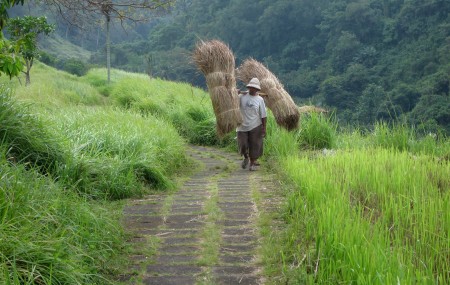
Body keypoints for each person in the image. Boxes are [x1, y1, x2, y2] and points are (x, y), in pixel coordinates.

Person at [236, 77, 267, 171]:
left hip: (255, 125)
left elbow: (263, 115)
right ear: (249, 87)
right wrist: (234, 94)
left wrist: (264, 127)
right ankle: (246, 157)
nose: (252, 89)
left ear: (257, 89)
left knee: (255, 145)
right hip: (241, 125)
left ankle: (252, 164)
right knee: (243, 145)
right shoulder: (241, 97)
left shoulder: (260, 99)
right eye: (251, 87)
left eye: (255, 88)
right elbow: (232, 105)